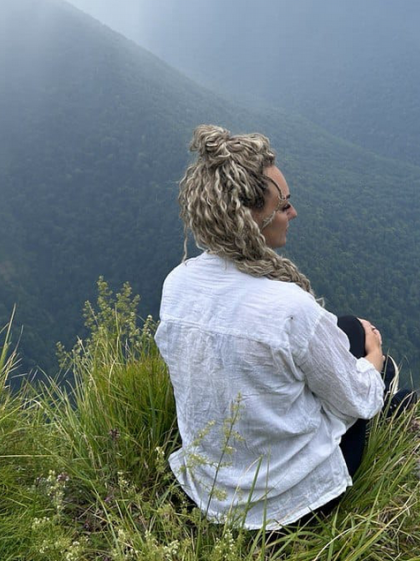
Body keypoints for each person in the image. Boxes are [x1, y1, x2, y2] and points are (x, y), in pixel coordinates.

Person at [155, 125, 404, 529]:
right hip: (288, 503)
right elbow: (354, 401)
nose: (293, 213)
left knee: (343, 329)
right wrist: (373, 359)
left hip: (210, 489)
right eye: (284, 205)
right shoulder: (289, 307)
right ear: (251, 218)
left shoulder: (177, 284)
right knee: (376, 368)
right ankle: (398, 401)